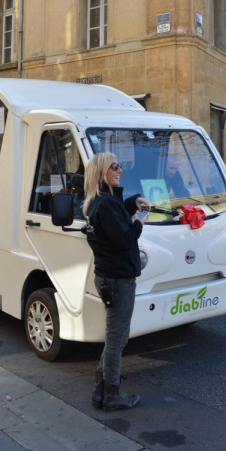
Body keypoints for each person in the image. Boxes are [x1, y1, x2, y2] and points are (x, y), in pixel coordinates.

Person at [83, 152, 148, 411]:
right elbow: (123, 239)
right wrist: (140, 222)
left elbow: (116, 217)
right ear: (101, 171)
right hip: (118, 279)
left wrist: (133, 202)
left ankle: (102, 390)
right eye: (115, 166)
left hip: (109, 277)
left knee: (115, 336)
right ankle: (112, 394)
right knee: (117, 339)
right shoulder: (106, 205)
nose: (120, 169)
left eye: (121, 165)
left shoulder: (97, 202)